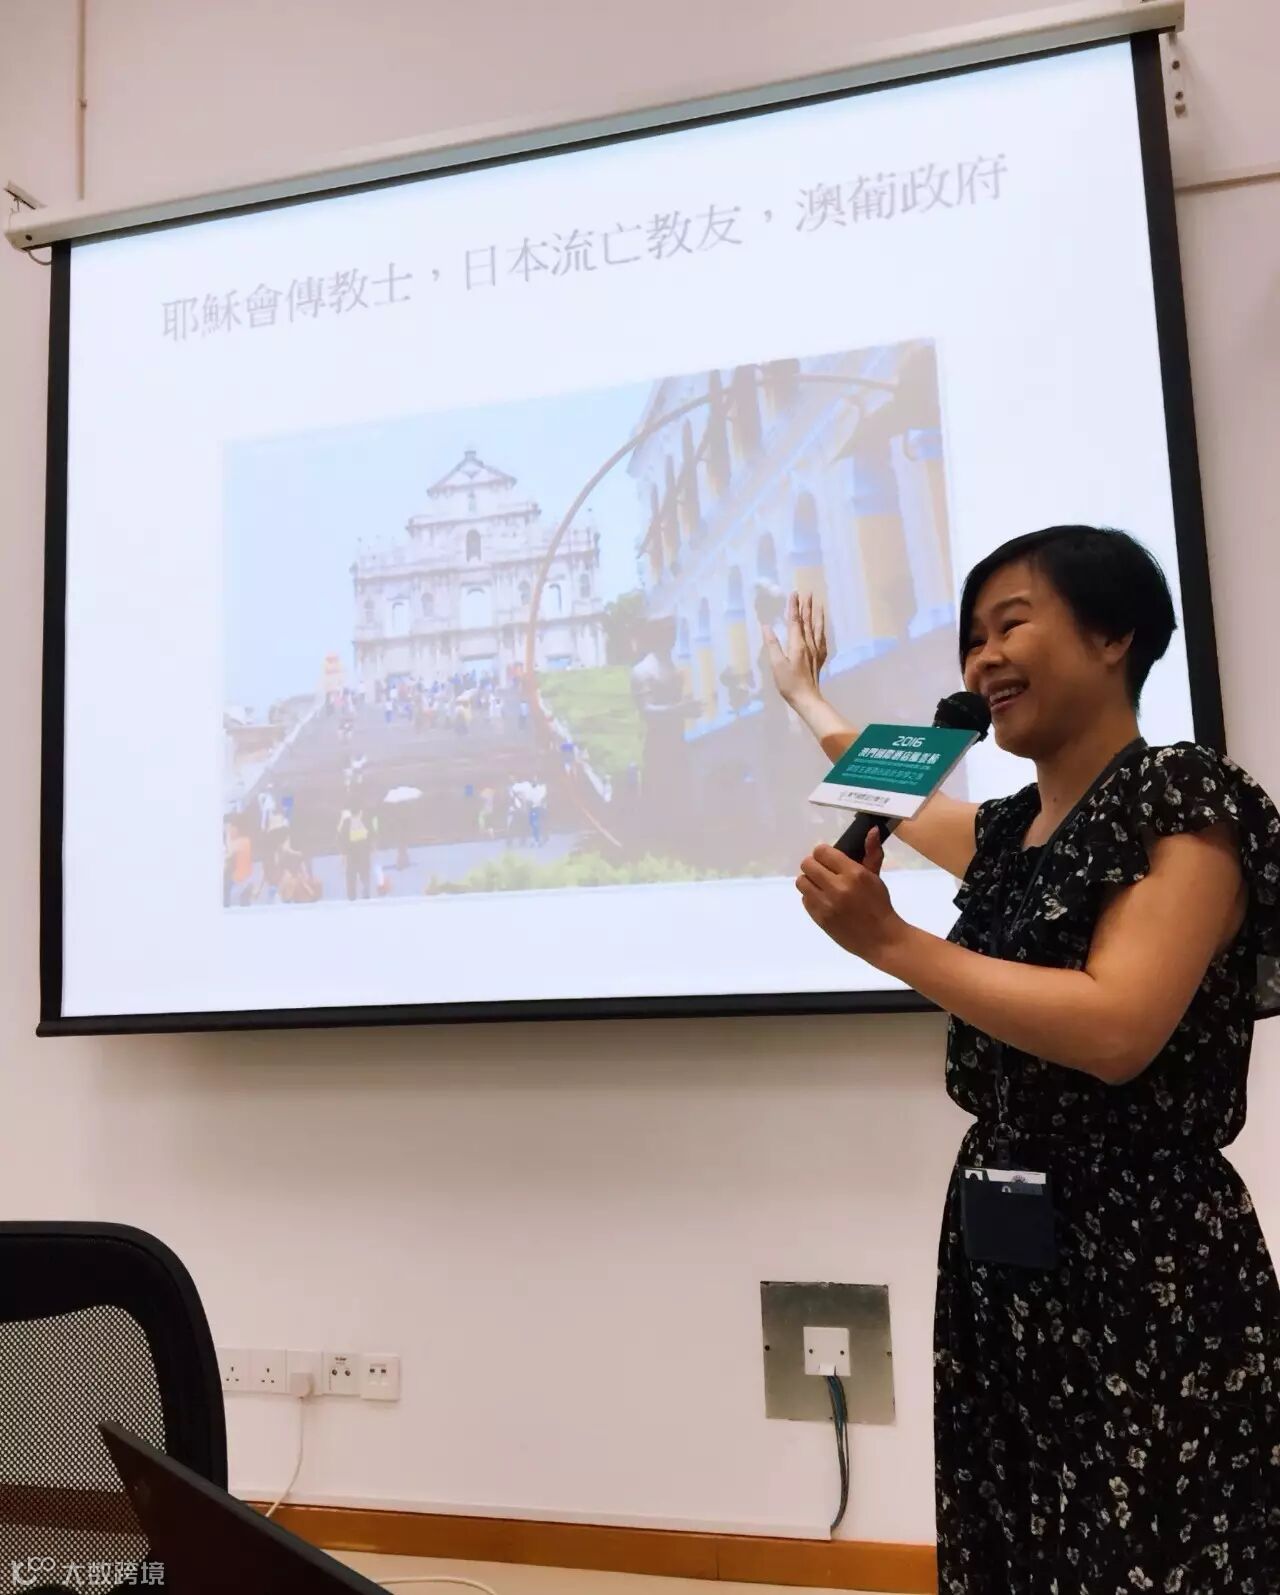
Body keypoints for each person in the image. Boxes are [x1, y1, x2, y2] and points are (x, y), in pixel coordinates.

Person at [766, 527, 1280, 1592]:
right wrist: (805, 696)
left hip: (1144, 1251)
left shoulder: (1181, 793)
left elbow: (1116, 1028)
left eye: (1011, 623)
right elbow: (897, 789)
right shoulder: (1013, 833)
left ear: (1112, 634)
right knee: (1016, 1525)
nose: (982, 658)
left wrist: (891, 942)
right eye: (970, 638)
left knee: (1150, 1542)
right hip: (1000, 1240)